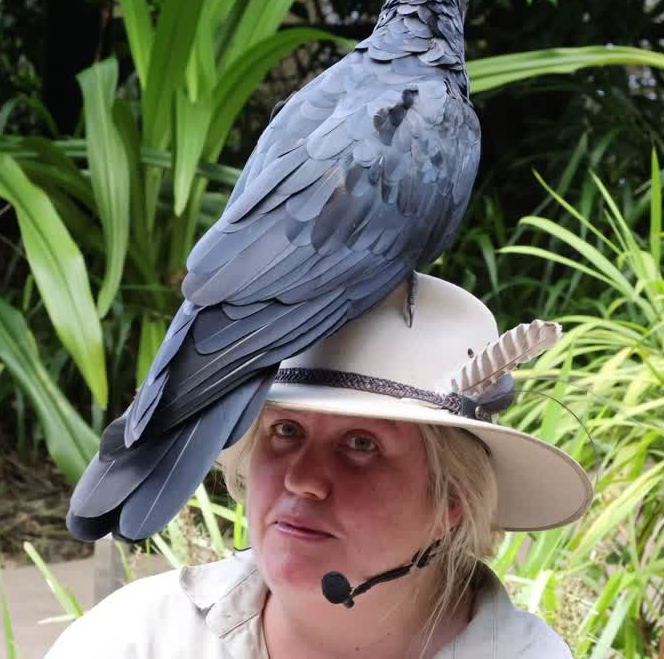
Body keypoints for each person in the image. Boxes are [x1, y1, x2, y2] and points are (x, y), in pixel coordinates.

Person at [45, 274, 592, 658]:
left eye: (361, 444)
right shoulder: (134, 643)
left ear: (453, 503)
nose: (302, 478)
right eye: (285, 431)